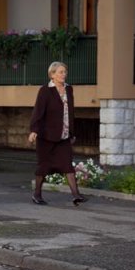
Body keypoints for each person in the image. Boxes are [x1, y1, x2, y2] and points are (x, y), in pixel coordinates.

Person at [28, 61, 87, 206]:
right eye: (60, 72)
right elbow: (38, 112)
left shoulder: (69, 89)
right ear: (52, 74)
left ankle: (76, 195)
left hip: (64, 136)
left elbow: (70, 112)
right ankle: (37, 195)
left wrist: (72, 132)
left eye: (65, 72)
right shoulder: (45, 90)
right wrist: (34, 130)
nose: (64, 75)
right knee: (43, 166)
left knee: (68, 165)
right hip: (46, 136)